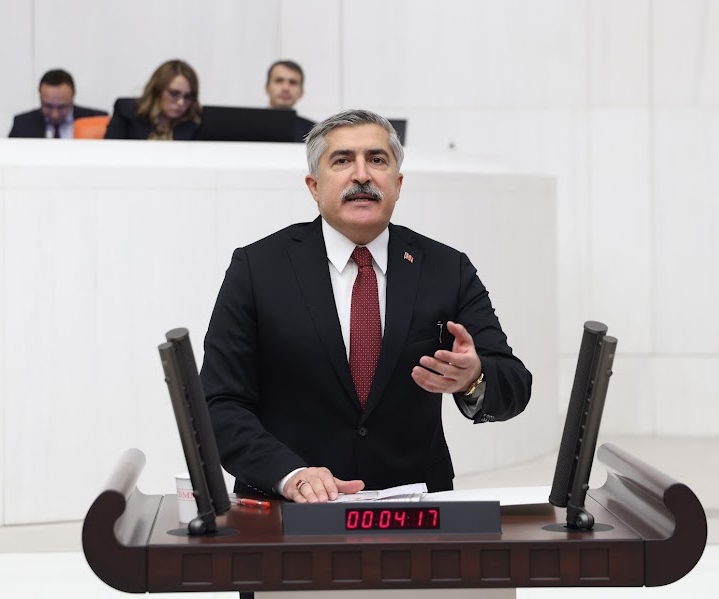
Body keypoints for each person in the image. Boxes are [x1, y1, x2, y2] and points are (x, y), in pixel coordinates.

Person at [201, 109, 532, 504]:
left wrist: (474, 378)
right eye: (342, 160)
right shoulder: (257, 268)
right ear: (314, 185)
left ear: (398, 183)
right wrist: (288, 474)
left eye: (377, 159)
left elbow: (515, 384)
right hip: (290, 513)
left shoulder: (447, 269)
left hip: (416, 513)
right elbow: (219, 403)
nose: (361, 175)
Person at [104, 59, 201, 140]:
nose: (181, 102)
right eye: (174, 94)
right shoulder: (127, 111)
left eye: (187, 97)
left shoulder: (196, 121)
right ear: (157, 90)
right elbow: (109, 152)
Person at [8, 69, 107, 138]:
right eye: (48, 106)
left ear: (73, 94)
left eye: (62, 107)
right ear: (40, 95)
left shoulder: (98, 120)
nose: (55, 114)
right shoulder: (22, 124)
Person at [264, 60, 315, 142]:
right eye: (279, 81)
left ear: (301, 92)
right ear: (267, 87)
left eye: (293, 82)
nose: (286, 88)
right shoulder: (248, 127)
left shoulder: (314, 133)